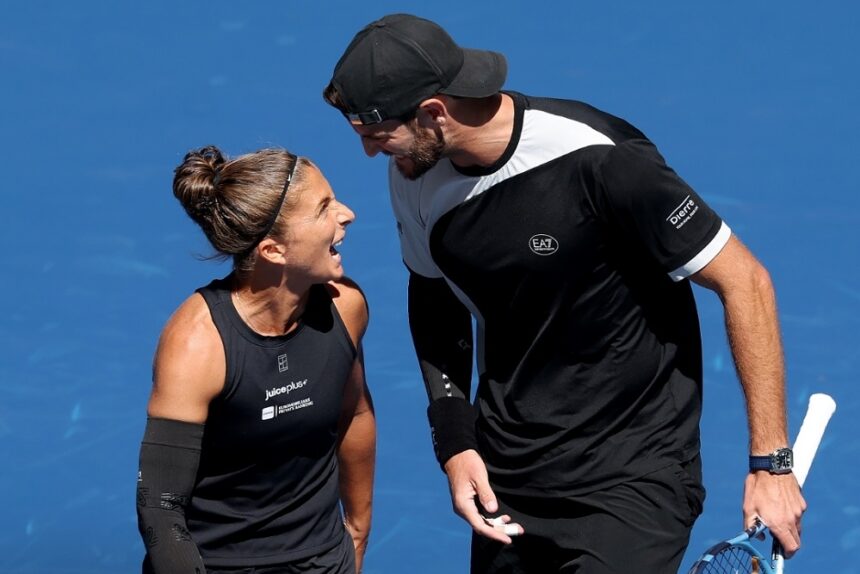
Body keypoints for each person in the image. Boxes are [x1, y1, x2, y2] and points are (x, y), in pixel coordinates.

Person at [322, 13, 805, 574]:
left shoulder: (601, 158)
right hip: (511, 478)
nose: (371, 153)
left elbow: (746, 281)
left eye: (377, 135)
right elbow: (434, 300)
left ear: (434, 112)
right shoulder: (414, 173)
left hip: (632, 473)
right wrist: (455, 441)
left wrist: (771, 465)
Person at [136, 146, 375, 574]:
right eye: (324, 208)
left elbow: (354, 414)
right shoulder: (197, 343)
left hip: (324, 561)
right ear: (273, 250)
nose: (347, 214)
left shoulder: (346, 307)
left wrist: (356, 534)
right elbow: (160, 507)